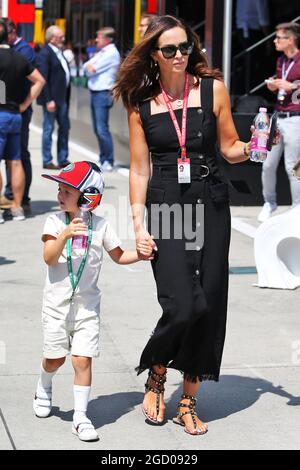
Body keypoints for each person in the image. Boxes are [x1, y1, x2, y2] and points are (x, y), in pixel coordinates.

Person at [114, 15, 253, 435]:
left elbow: (230, 149)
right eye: (170, 49)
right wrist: (138, 225)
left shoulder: (212, 89)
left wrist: (258, 147)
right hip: (166, 204)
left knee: (209, 302)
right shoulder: (141, 103)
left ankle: (188, 399)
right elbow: (139, 171)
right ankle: (157, 369)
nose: (180, 56)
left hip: (210, 199)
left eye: (186, 47)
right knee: (182, 303)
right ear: (153, 54)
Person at [33, 161, 153, 441]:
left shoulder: (101, 226)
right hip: (56, 307)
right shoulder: (54, 222)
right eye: (60, 189)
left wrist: (142, 254)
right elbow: (49, 257)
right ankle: (44, 383)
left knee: (82, 360)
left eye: (67, 191)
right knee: (54, 359)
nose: (60, 195)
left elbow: (120, 256)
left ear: (88, 196)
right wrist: (64, 235)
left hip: (87, 307)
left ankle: (80, 417)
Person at [0, 19, 44, 223]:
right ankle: (17, 208)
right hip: (15, 115)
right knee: (15, 162)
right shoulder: (19, 58)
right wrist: (25, 104)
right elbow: (39, 81)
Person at [259, 22, 300, 223]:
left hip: (296, 118)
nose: (275, 41)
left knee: (292, 166)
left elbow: (293, 86)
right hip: (278, 115)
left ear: (290, 39)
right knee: (267, 164)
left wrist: (292, 85)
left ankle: (296, 208)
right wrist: (275, 85)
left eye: (279, 38)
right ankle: (269, 202)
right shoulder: (282, 61)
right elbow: (284, 83)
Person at [83, 27, 120, 172]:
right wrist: (89, 68)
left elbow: (92, 70)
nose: (96, 40)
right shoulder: (102, 52)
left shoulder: (111, 53)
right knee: (97, 128)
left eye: (99, 37)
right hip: (95, 92)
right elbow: (86, 67)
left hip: (103, 93)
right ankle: (103, 157)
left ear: (107, 39)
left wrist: (90, 68)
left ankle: (109, 160)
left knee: (102, 128)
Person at [36, 26, 72, 170]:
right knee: (48, 129)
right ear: (52, 38)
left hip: (62, 98)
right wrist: (48, 99)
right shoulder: (45, 53)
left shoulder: (59, 52)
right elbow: (43, 78)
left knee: (64, 128)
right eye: (60, 36)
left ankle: (63, 158)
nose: (63, 38)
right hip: (52, 100)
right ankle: (47, 159)